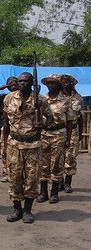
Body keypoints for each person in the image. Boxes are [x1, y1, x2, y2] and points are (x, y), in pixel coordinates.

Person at [3, 72, 53, 223]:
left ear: (32, 83)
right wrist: (4, 145)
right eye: (20, 81)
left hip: (33, 144)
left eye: (25, 81)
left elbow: (50, 117)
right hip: (14, 144)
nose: (22, 83)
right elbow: (5, 122)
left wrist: (43, 125)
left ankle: (28, 210)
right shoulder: (9, 98)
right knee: (15, 178)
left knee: (32, 178)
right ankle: (16, 209)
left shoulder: (40, 100)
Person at [36, 74, 75, 204]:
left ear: (58, 84)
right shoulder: (42, 98)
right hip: (44, 134)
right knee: (43, 164)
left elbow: (70, 121)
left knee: (57, 164)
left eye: (53, 83)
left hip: (59, 134)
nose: (50, 85)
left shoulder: (65, 100)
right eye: (48, 83)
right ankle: (43, 192)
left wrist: (68, 139)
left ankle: (54, 192)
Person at [0, 77, 19, 183]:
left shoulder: (23, 96)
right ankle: (6, 173)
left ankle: (17, 174)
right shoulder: (3, 97)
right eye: (10, 84)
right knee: (4, 151)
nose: (13, 85)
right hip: (6, 128)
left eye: (16, 83)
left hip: (19, 128)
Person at [61, 74, 84, 193]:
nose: (64, 84)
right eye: (62, 82)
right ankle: (58, 182)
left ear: (71, 84)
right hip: (59, 130)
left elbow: (80, 118)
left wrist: (80, 133)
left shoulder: (78, 98)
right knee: (58, 157)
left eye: (66, 82)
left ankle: (67, 183)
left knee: (70, 157)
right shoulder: (56, 97)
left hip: (73, 130)